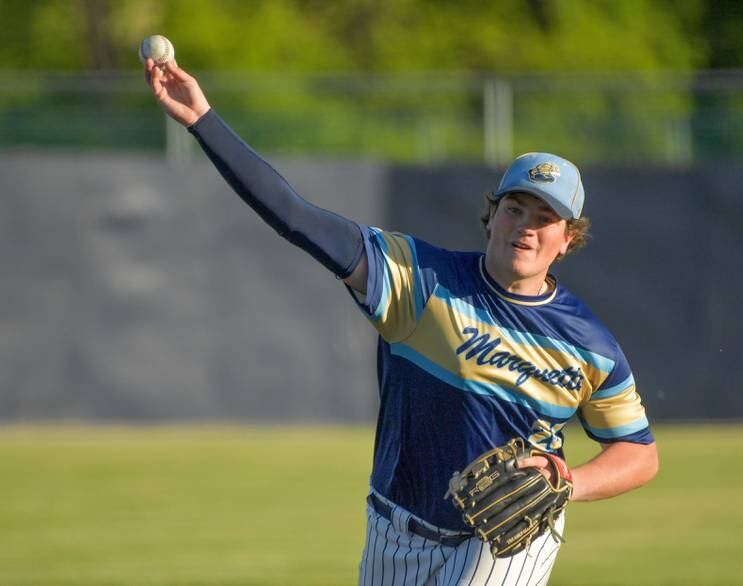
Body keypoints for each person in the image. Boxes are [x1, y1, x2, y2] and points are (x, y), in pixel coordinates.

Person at [145, 58, 659, 585]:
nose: (526, 228)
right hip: (395, 532)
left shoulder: (589, 346)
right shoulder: (419, 281)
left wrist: (567, 480)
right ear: (491, 214)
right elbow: (296, 217)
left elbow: (638, 454)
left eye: (545, 219)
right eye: (515, 209)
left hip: (508, 545)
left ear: (567, 238)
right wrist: (202, 119)